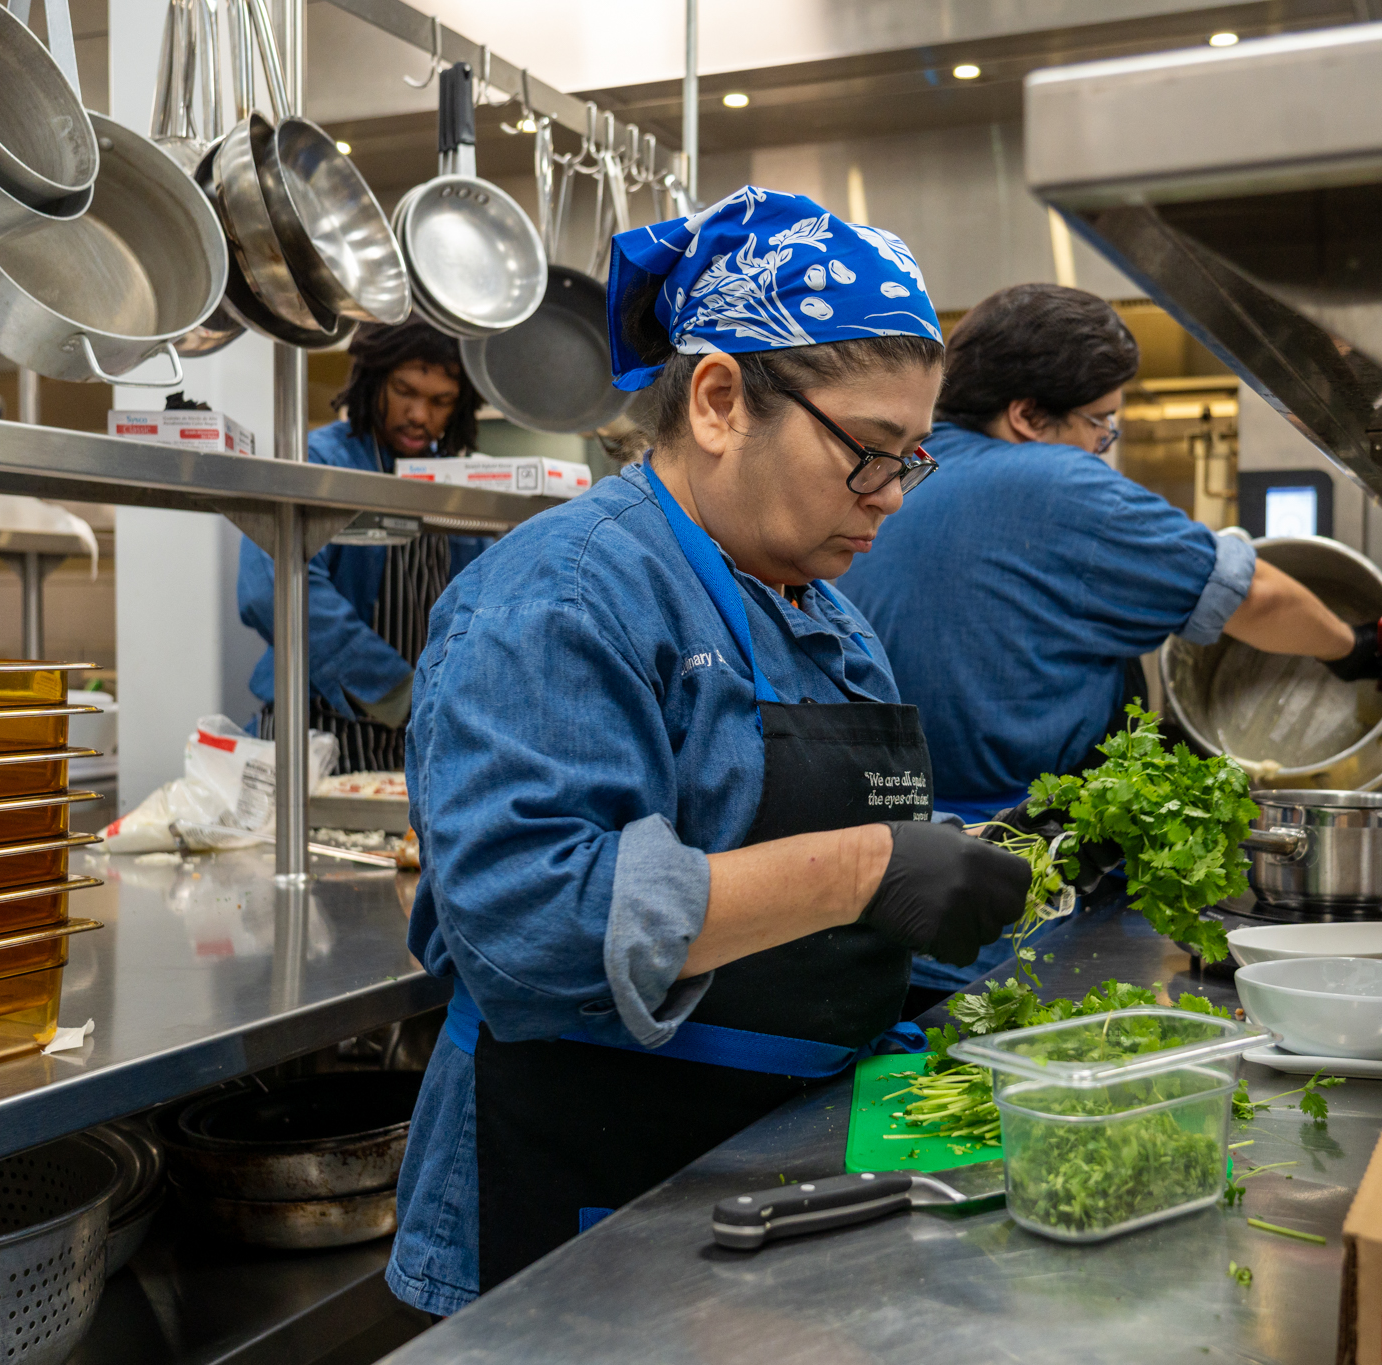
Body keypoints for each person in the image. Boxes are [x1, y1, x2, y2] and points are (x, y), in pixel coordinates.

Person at [384, 187, 1029, 1318]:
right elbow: (528, 928)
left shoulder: (824, 613)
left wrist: (961, 933)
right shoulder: (569, 591)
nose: (886, 499)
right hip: (590, 1199)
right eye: (865, 453)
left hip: (777, 1174)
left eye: (909, 461)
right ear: (723, 399)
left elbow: (855, 913)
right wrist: (865, 870)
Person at [839, 283, 1382, 992]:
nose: (1103, 447)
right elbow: (1254, 594)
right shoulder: (1052, 482)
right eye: (1101, 423)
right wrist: (1358, 649)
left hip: (882, 901)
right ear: (1027, 417)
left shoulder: (896, 478)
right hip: (1012, 915)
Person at [237, 321, 484, 771]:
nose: (419, 415)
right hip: (317, 731)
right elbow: (269, 586)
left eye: (440, 401)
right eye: (404, 391)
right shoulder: (317, 461)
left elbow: (481, 604)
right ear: (373, 381)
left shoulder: (459, 486)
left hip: (422, 735)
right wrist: (392, 690)